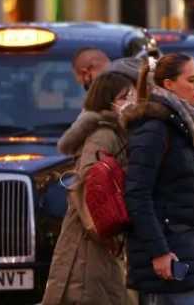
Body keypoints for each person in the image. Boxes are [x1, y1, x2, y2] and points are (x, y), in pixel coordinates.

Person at [123, 53, 194, 305]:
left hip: (187, 249)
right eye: (192, 80)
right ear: (168, 84)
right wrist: (159, 252)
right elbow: (137, 194)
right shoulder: (154, 129)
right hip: (169, 254)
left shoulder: (184, 127)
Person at [42, 72, 136, 305]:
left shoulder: (117, 133)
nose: (131, 103)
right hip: (90, 245)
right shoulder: (103, 135)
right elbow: (86, 185)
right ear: (107, 101)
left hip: (99, 242)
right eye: (124, 97)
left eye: (132, 96)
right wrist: (99, 230)